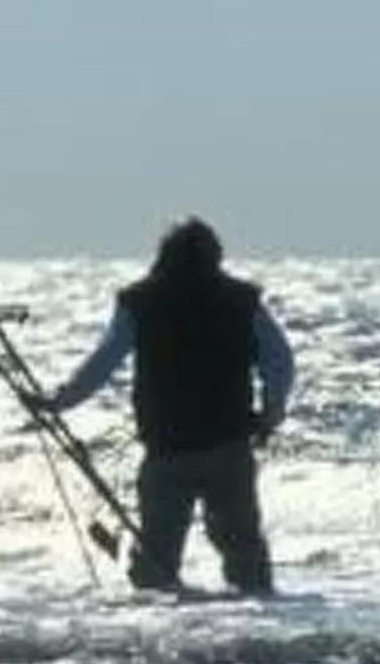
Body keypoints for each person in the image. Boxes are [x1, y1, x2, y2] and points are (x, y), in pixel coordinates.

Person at [42, 217, 295, 595]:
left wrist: (59, 402)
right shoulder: (241, 300)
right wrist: (270, 415)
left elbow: (102, 364)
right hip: (228, 446)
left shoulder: (141, 301)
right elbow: (280, 362)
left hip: (168, 452)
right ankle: (259, 637)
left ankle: (159, 636)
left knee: (156, 563)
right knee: (244, 553)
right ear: (215, 257)